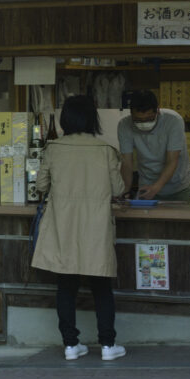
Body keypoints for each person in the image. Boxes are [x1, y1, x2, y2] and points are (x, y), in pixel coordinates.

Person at [32, 94, 128, 362]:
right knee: (101, 285)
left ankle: (70, 345)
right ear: (91, 118)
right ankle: (108, 345)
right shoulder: (105, 150)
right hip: (96, 226)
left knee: (66, 285)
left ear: (65, 119)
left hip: (63, 226)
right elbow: (118, 189)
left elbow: (41, 186)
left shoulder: (53, 148)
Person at [117, 89, 190, 202]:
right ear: (131, 113)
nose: (143, 123)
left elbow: (172, 161)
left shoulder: (173, 121)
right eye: (137, 120)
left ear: (157, 110)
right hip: (146, 186)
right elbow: (127, 164)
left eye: (148, 119)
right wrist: (125, 191)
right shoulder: (124, 125)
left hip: (179, 187)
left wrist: (156, 188)